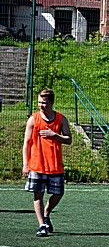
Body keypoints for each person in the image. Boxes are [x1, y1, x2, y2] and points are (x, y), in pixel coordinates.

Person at [22, 88, 72, 237]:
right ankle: (42, 225)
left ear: (51, 103)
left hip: (55, 165)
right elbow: (26, 143)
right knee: (38, 195)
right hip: (37, 165)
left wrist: (54, 135)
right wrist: (25, 164)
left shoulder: (61, 119)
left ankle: (46, 213)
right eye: (39, 102)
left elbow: (68, 139)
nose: (41, 105)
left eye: (44, 103)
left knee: (58, 193)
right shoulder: (33, 119)